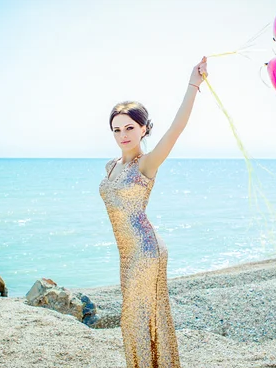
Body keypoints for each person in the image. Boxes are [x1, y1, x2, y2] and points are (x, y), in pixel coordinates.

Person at [99, 57, 208, 368]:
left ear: (143, 128)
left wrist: (193, 85)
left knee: (136, 318)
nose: (123, 134)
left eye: (130, 127)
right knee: (135, 318)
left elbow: (176, 128)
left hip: (146, 251)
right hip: (127, 253)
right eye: (116, 129)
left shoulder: (145, 164)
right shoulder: (111, 166)